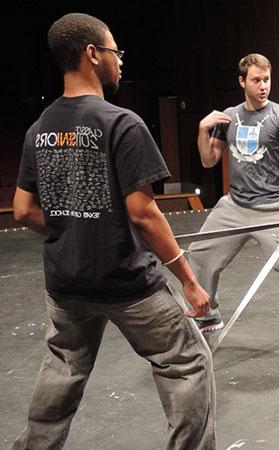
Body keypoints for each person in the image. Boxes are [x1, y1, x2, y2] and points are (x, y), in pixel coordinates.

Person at [12, 13, 215, 449]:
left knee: (63, 368)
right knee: (187, 361)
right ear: (91, 54)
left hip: (65, 283)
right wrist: (189, 281)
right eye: (114, 52)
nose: (120, 62)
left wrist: (71, 228)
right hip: (125, 283)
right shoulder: (121, 123)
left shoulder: (39, 128)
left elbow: (23, 210)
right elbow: (143, 214)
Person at [189, 53, 279, 351]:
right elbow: (208, 159)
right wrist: (202, 129)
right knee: (198, 255)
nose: (263, 85)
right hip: (235, 206)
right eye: (256, 80)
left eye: (267, 79)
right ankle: (208, 317)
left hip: (273, 209)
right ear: (242, 81)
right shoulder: (228, 117)